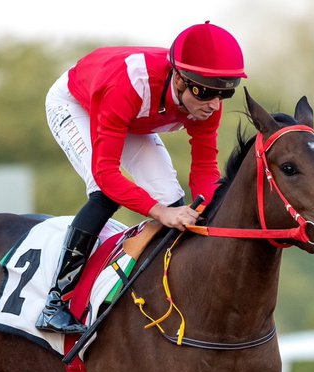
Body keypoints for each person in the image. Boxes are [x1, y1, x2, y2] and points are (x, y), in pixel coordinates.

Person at [38, 21, 247, 335]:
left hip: (136, 117)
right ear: (179, 78)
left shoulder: (206, 99)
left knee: (174, 202)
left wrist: (214, 214)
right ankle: (55, 301)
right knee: (105, 193)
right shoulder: (128, 83)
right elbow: (107, 174)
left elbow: (204, 170)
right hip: (79, 104)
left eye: (224, 94)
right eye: (206, 92)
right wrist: (161, 213)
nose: (214, 104)